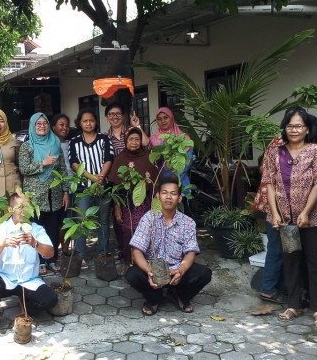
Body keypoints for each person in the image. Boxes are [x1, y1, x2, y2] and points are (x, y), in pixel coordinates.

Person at [263, 107, 317, 326]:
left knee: (315, 261)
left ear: (307, 128)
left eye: (299, 126)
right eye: (290, 125)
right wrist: (274, 214)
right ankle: (294, 305)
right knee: (291, 261)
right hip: (285, 219)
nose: (294, 130)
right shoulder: (275, 152)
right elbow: (269, 184)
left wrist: (306, 212)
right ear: (285, 127)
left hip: (312, 217)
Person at [125, 177, 211, 315]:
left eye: (173, 193)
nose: (168, 197)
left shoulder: (188, 223)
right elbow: (137, 251)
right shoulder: (148, 219)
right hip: (153, 270)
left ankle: (178, 295)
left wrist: (181, 270)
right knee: (132, 275)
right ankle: (154, 298)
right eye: (164, 192)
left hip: (176, 269)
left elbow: (190, 252)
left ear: (180, 198)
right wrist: (149, 271)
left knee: (204, 274)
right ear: (157, 196)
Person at [0, 193, 58, 336]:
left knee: (50, 300)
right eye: (20, 207)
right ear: (10, 210)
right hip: (5, 278)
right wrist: (2, 244)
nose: (24, 211)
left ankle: (26, 305)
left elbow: (50, 253)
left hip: (29, 280)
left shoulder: (35, 229)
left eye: (27, 207)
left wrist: (35, 243)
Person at [19, 113, 69, 274]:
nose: (42, 126)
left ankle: (52, 258)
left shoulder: (55, 144)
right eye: (38, 123)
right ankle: (39, 260)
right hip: (35, 196)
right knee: (37, 228)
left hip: (54, 194)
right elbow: (24, 168)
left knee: (53, 228)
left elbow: (62, 169)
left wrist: (66, 191)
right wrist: (43, 163)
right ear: (33, 126)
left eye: (45, 123)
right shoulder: (26, 146)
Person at [109, 127, 159, 275]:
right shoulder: (120, 158)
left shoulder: (148, 156)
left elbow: (156, 181)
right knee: (127, 231)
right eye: (131, 139)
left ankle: (148, 263)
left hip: (146, 202)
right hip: (126, 202)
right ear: (126, 141)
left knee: (147, 231)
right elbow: (114, 184)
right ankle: (128, 262)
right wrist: (117, 206)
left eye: (137, 139)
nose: (134, 142)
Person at [69, 108, 115, 264]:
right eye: (85, 121)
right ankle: (80, 256)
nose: (88, 123)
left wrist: (100, 178)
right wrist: (92, 178)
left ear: (96, 122)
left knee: (103, 221)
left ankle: (103, 253)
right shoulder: (74, 141)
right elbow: (74, 164)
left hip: (103, 185)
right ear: (80, 123)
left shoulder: (104, 139)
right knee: (81, 220)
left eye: (91, 120)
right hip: (83, 187)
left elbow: (109, 158)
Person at [253, 135, 288, 305]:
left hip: (274, 203)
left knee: (277, 247)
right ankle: (269, 289)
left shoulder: (277, 139)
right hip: (279, 205)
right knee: (278, 248)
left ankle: (272, 288)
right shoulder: (284, 142)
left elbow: (262, 168)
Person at [150, 107, 193, 188]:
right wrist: (164, 146)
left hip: (181, 181)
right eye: (159, 119)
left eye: (165, 117)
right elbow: (153, 161)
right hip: (161, 181)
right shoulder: (153, 139)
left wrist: (176, 175)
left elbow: (188, 160)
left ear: (171, 118)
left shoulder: (183, 137)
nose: (163, 121)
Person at [51, 113, 73, 255]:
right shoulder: (50, 145)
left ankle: (65, 252)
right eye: (61, 125)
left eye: (66, 125)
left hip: (71, 187)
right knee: (57, 223)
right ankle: (53, 251)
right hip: (56, 189)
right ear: (53, 127)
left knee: (68, 221)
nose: (64, 128)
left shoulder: (71, 144)